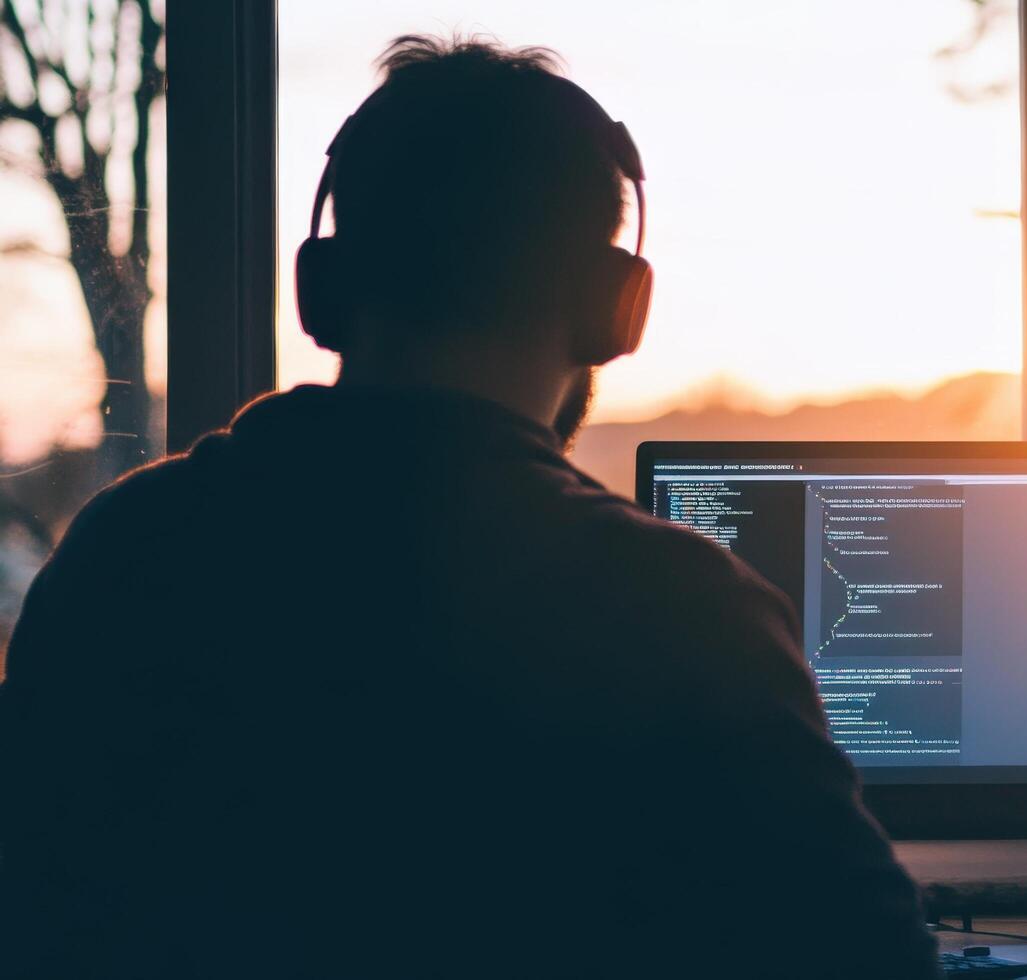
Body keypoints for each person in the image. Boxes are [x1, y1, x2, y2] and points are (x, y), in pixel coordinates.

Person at [0, 35, 937, 978]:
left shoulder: (126, 551)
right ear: (611, 305)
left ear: (326, 286)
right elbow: (871, 960)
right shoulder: (688, 612)